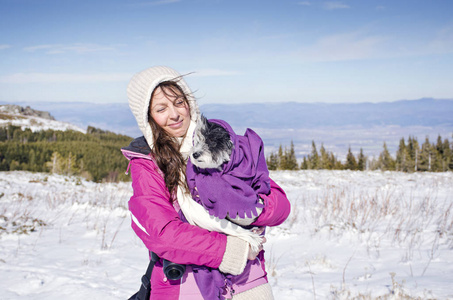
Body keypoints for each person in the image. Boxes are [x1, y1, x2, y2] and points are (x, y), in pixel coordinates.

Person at [122, 66, 291, 299]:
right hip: (185, 283)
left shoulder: (219, 140)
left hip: (246, 280)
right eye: (161, 109)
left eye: (179, 102)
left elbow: (279, 204)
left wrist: (251, 210)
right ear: (147, 116)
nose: (174, 114)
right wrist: (232, 250)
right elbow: (161, 233)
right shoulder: (148, 163)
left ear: (189, 101)